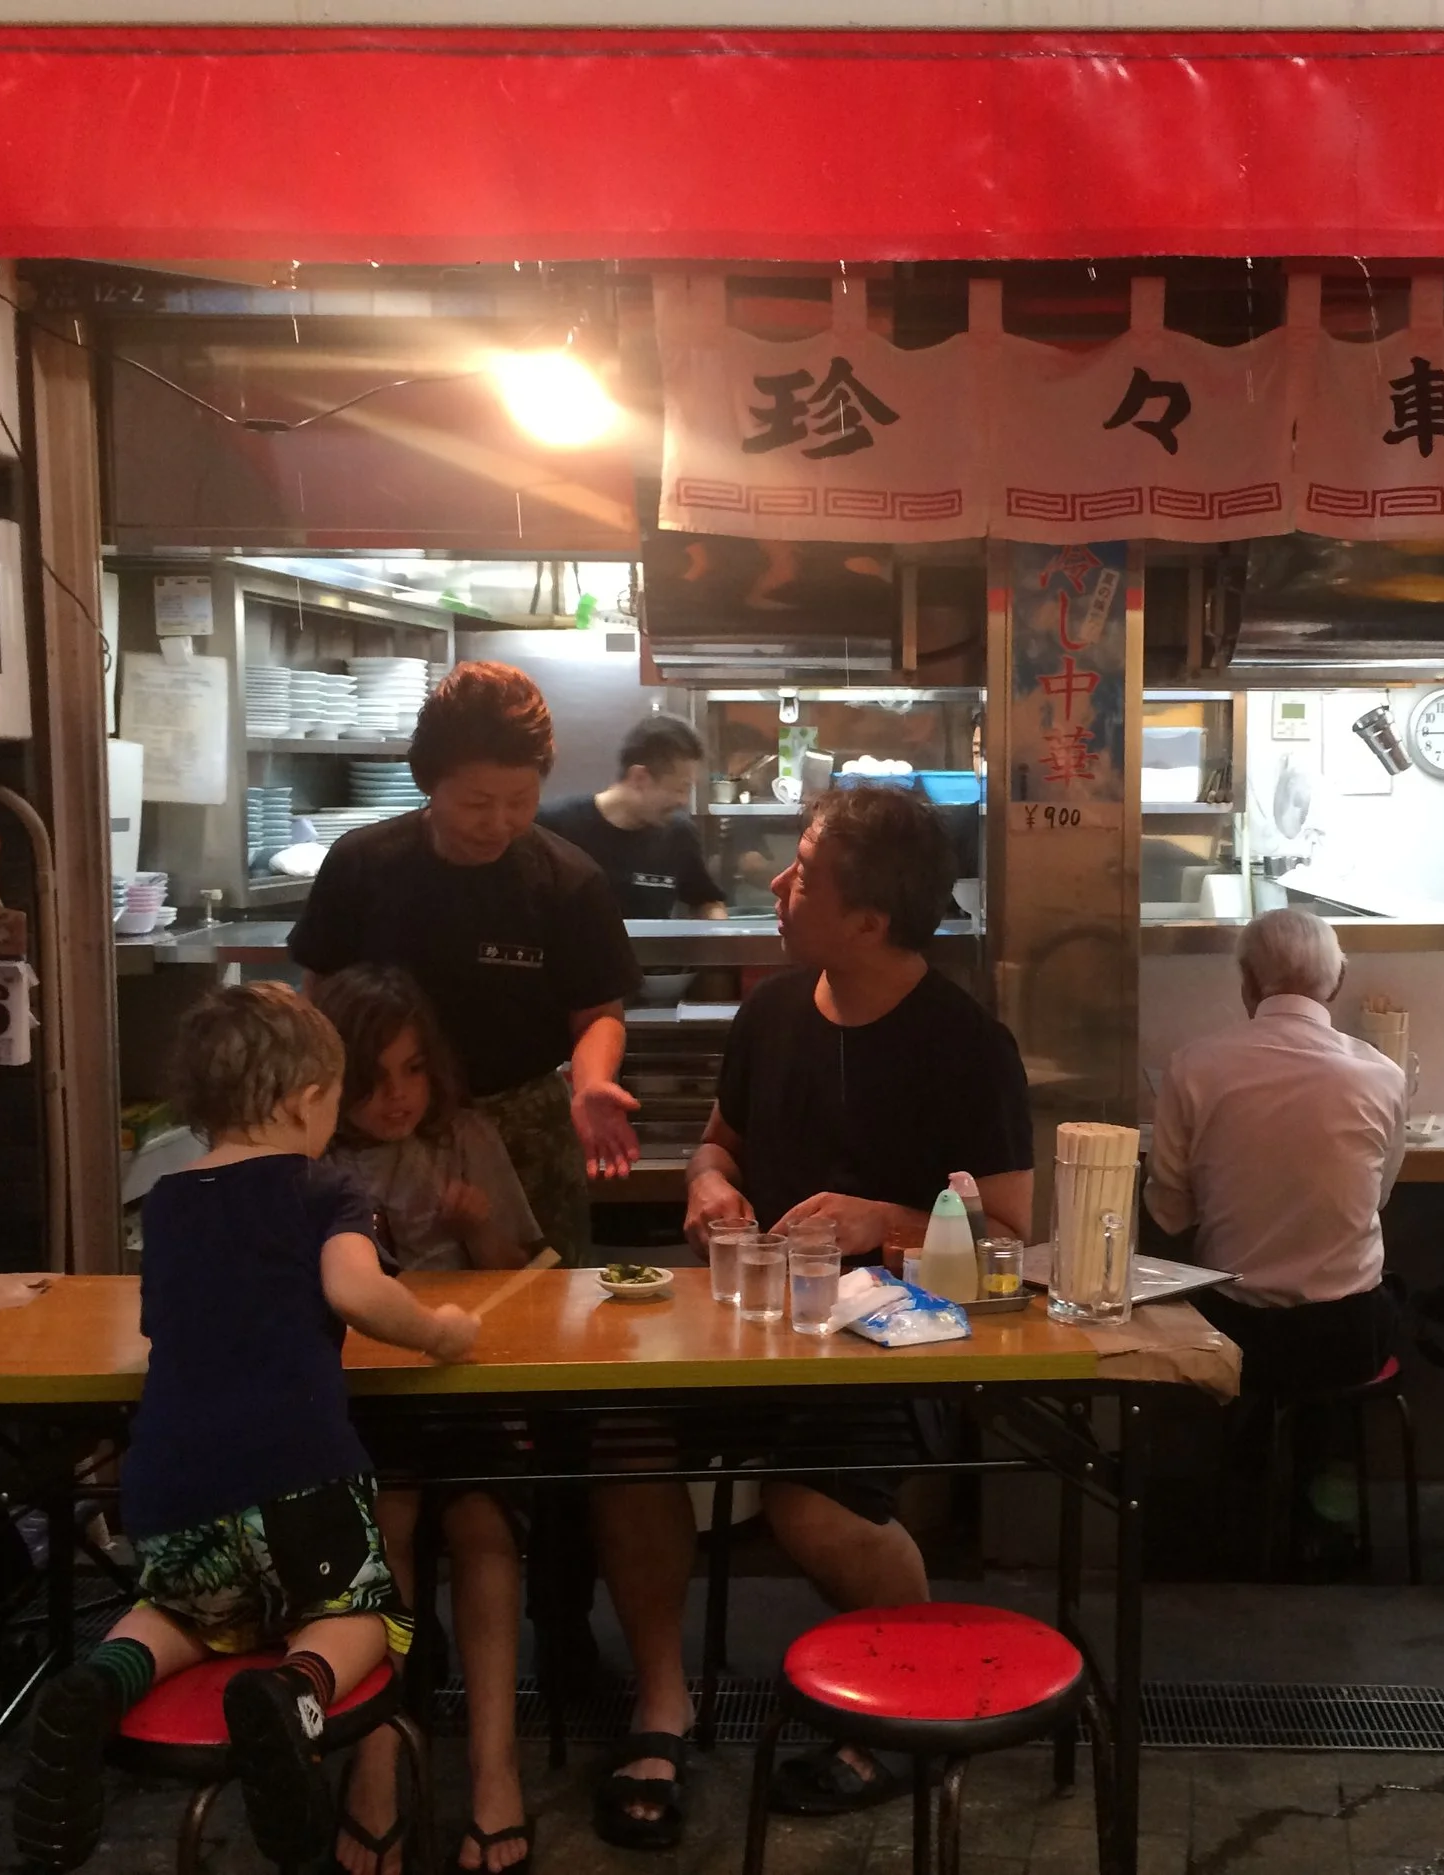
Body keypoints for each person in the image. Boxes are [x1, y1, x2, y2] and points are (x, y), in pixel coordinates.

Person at [589, 784, 1032, 1848]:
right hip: (743, 1327)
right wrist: (704, 1184)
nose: (778, 887)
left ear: (869, 919)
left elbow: (1013, 1237)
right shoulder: (771, 1011)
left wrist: (883, 1219)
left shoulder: (964, 1044)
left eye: (802, 873)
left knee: (809, 1508)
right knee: (621, 1440)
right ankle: (663, 1702)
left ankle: (911, 1699)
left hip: (894, 1346)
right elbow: (718, 1144)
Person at [11, 984, 475, 1874]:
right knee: (364, 1617)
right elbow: (355, 1291)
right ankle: (292, 1690)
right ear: (307, 1098)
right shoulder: (325, 1186)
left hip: (173, 1487)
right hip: (301, 1477)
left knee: (186, 1612)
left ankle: (97, 1682)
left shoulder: (171, 1202)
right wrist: (443, 1329)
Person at [290, 660, 644, 1268]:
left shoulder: (568, 881)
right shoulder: (362, 865)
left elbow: (598, 1012)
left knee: (541, 1308)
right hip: (377, 1121)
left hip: (520, 1126)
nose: (501, 822)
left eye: (521, 800)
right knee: (376, 1297)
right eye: (479, 802)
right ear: (429, 780)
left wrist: (590, 1084)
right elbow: (316, 996)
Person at [314, 965, 544, 1874]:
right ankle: (378, 1763)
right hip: (362, 1401)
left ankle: (495, 1772)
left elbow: (525, 1273)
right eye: (375, 1079)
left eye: (413, 1070)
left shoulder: (465, 1137)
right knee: (390, 1521)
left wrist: (480, 1228)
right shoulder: (316, 1163)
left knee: (486, 1524)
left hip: (469, 1384)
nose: (399, 1095)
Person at [1144, 906, 1409, 1389]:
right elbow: (1379, 1196)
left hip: (1234, 1328)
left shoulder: (1193, 1067)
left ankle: (1239, 1456)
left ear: (1247, 980)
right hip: (1350, 1335)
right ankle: (1321, 1458)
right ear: (1339, 980)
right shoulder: (1384, 1077)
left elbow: (1169, 1213)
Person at [536, 713, 728, 920]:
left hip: (651, 954)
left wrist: (720, 937)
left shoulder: (679, 834)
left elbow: (706, 901)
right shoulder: (552, 825)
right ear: (640, 778)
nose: (684, 801)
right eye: (681, 789)